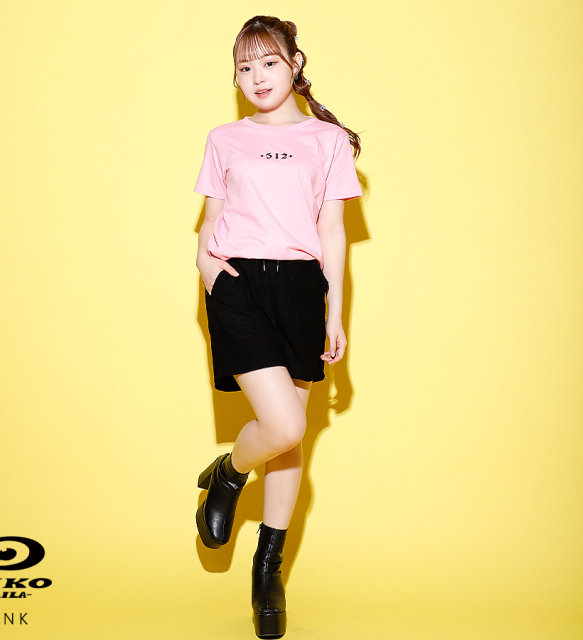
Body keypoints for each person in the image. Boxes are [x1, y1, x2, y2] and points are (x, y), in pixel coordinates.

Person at [193, 15, 363, 639]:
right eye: (245, 67)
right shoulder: (224, 138)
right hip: (238, 283)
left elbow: (332, 232)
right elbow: (209, 219)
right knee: (284, 424)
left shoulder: (328, 140)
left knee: (290, 441)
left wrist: (335, 312)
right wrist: (208, 268)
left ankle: (269, 573)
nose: (257, 77)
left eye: (268, 62)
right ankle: (230, 473)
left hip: (300, 289)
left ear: (295, 63)